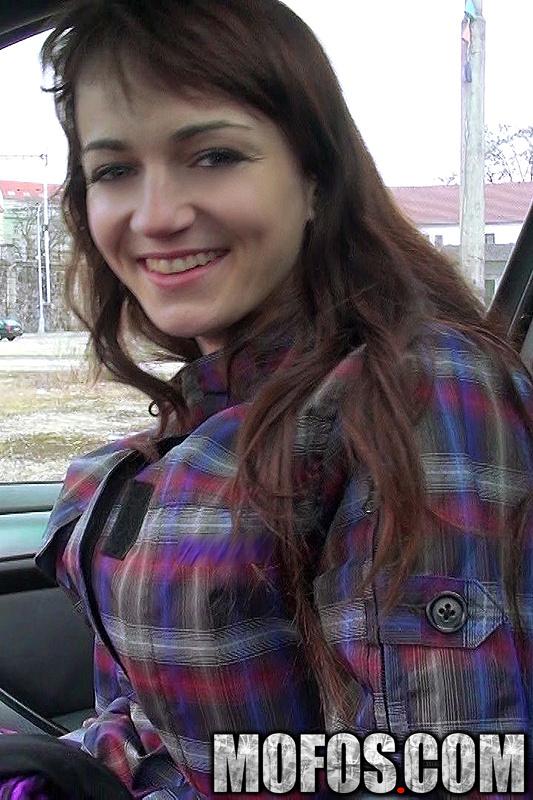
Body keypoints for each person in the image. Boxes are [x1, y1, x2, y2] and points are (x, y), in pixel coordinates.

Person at [0, 0, 532, 797]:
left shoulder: (416, 394)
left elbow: (445, 771)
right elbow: (173, 735)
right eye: (114, 170)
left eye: (213, 156)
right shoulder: (208, 415)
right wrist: (66, 770)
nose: (156, 214)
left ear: (314, 178)